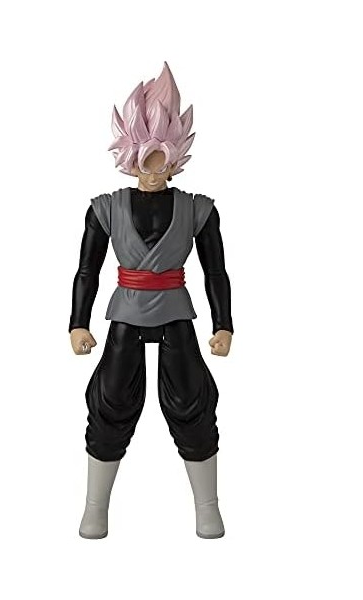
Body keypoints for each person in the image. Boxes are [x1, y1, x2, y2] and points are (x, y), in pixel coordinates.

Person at [69, 62, 233, 539]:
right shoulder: (106, 208)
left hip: (176, 311)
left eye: (163, 159)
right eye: (147, 160)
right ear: (130, 156)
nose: (155, 171)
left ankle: (207, 507)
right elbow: (86, 270)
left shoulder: (198, 209)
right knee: (110, 400)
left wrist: (223, 324)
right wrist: (78, 322)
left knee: (192, 401)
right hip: (126, 310)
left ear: (176, 156)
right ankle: (95, 507)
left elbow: (216, 271)